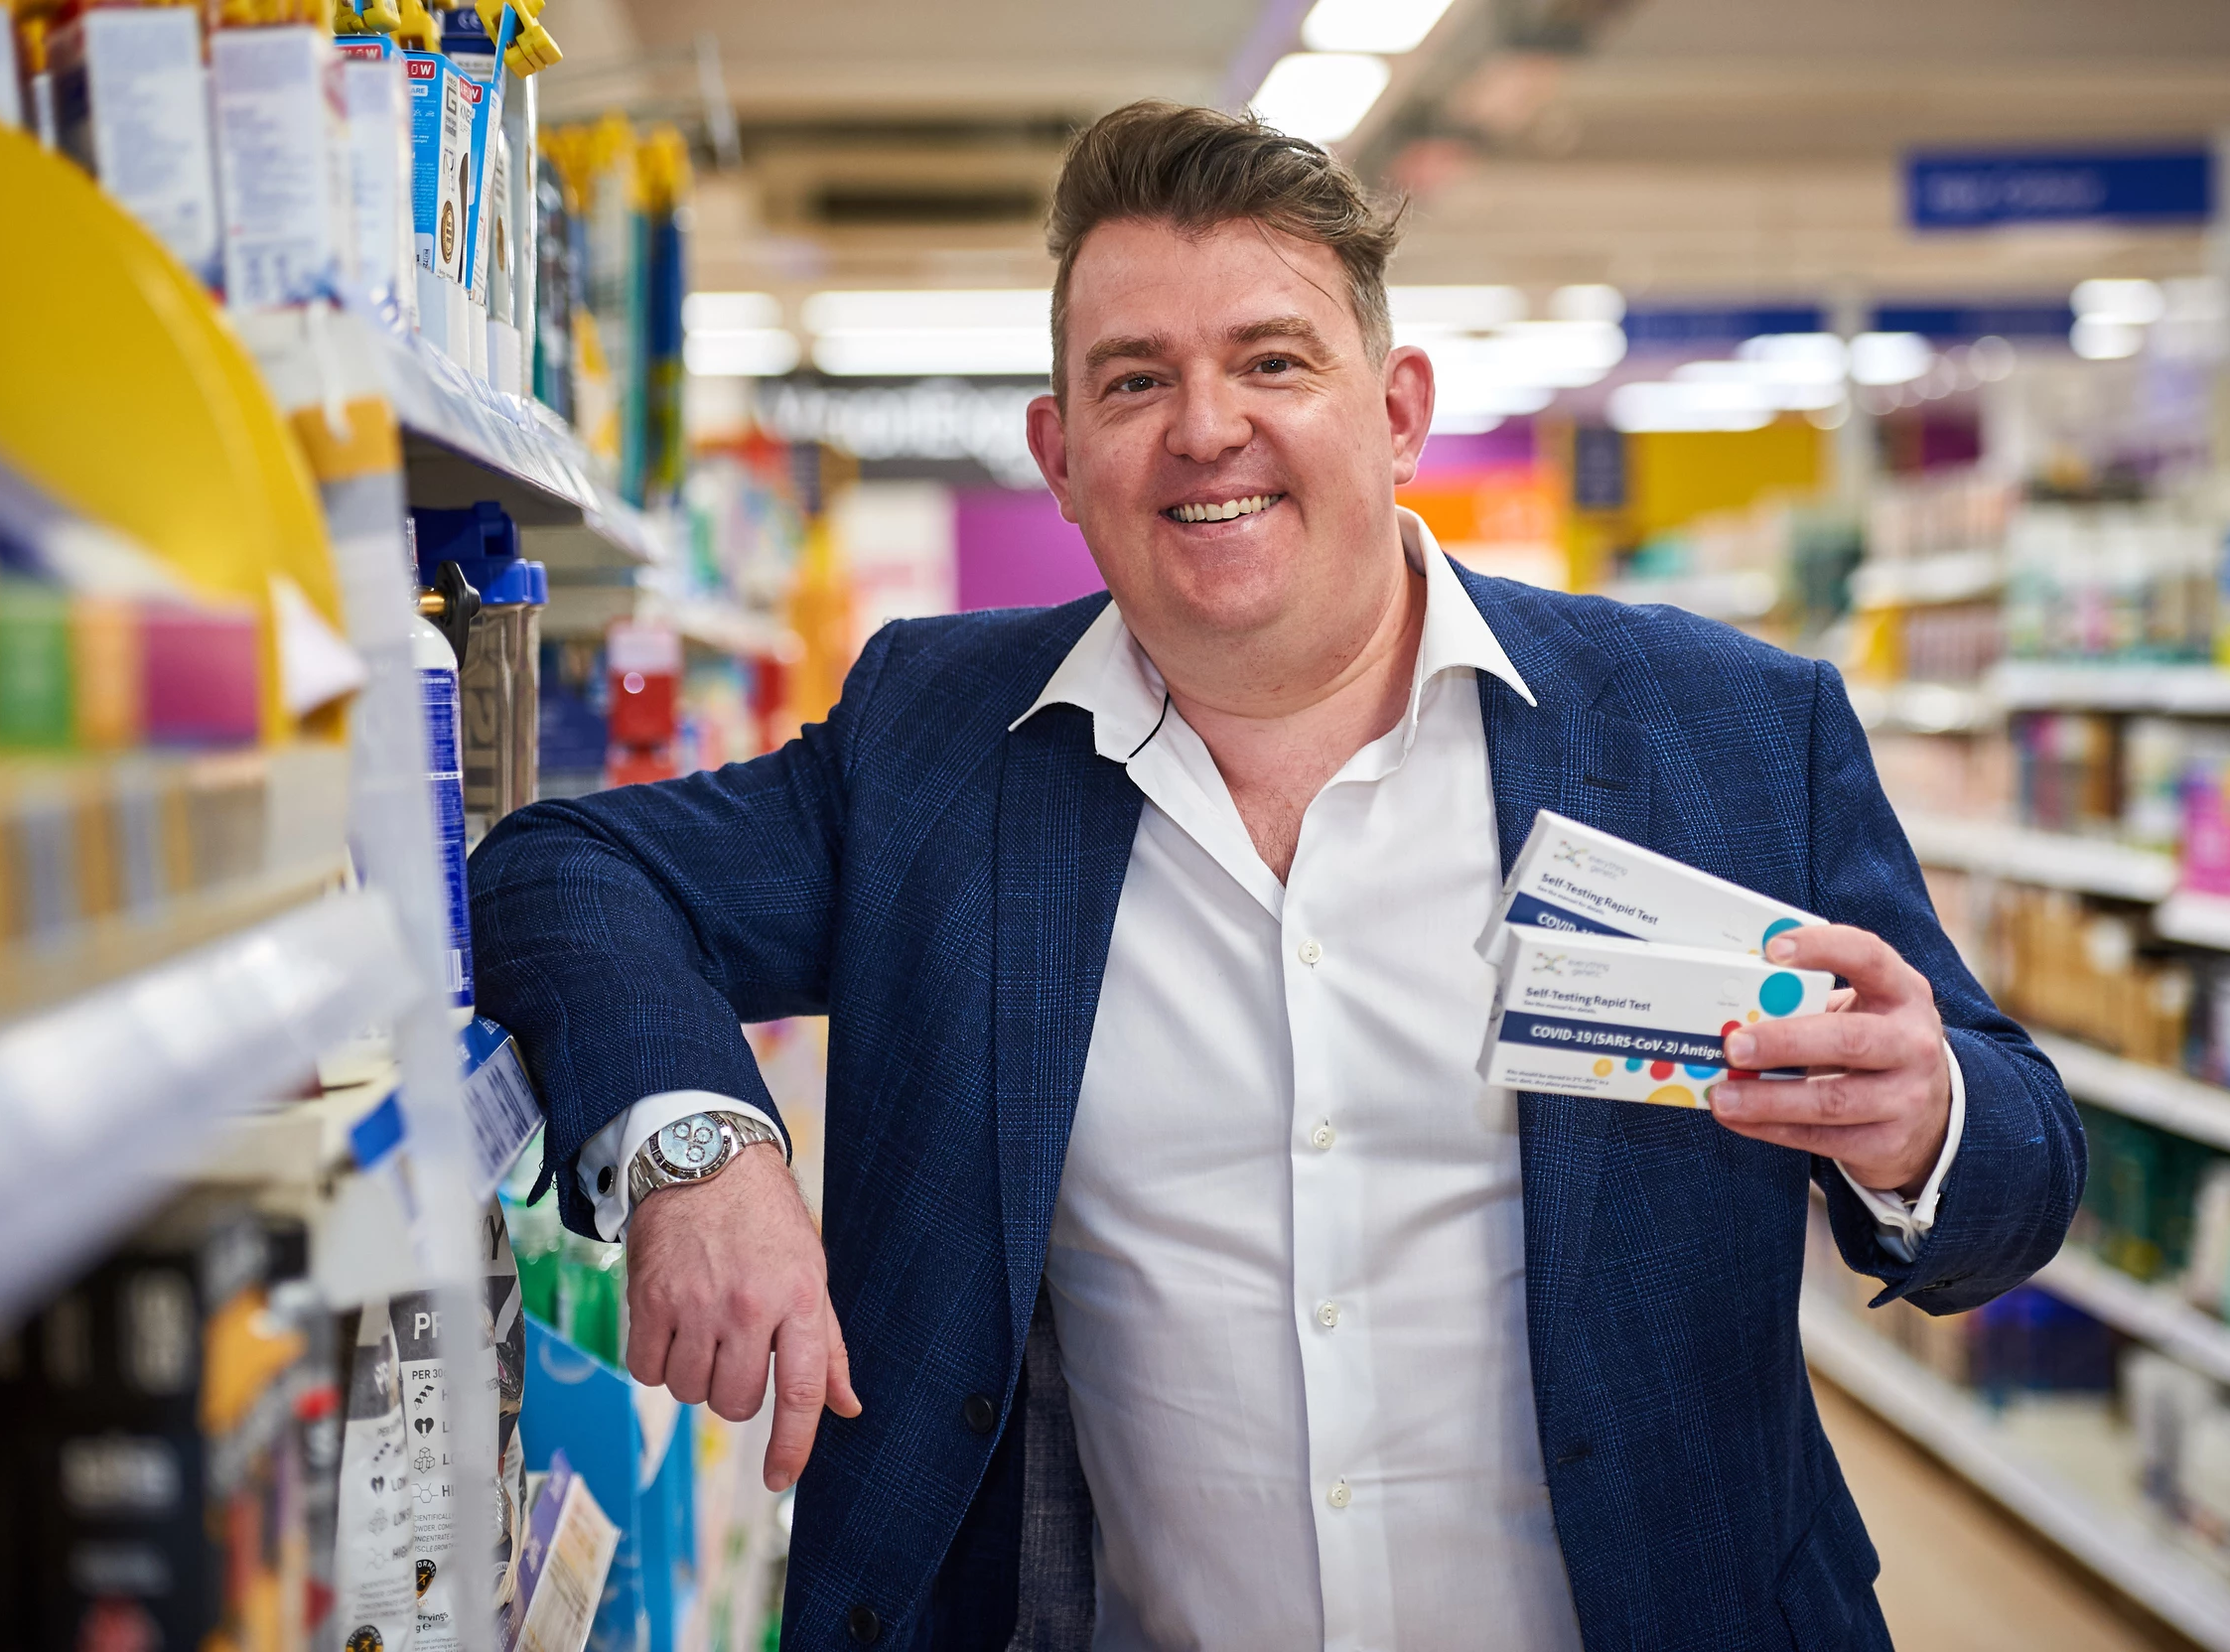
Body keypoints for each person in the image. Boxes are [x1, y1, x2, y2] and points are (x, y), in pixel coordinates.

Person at [470, 99, 2081, 1652]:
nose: (1205, 428)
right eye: (1135, 379)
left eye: (1273, 360)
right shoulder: (939, 747)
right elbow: (564, 868)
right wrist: (699, 1147)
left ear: (1397, 412)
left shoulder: (1720, 732)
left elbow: (2019, 1169)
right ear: (1059, 455)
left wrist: (1922, 1120)